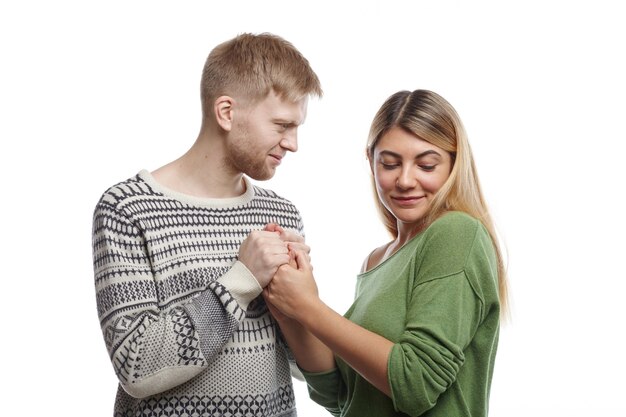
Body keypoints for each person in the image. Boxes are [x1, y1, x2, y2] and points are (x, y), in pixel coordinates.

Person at [92, 33, 322, 417]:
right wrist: (241, 279)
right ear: (227, 113)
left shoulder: (282, 214)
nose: (293, 143)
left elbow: (303, 367)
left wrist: (303, 299)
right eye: (282, 125)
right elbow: (136, 366)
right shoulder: (128, 209)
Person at [263, 89, 508, 417]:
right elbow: (340, 395)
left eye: (426, 164)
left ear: (453, 164)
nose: (405, 180)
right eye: (390, 163)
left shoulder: (457, 234)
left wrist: (308, 306)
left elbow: (415, 383)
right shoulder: (377, 260)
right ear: (371, 161)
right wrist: (289, 311)